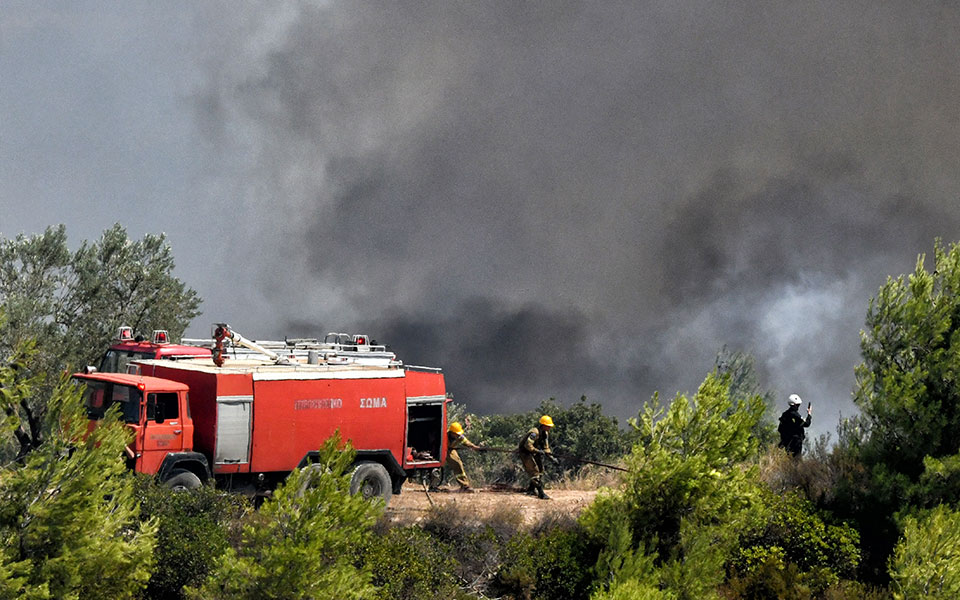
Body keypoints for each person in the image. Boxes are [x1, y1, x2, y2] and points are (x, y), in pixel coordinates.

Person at [518, 415, 558, 499]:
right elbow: (528, 445)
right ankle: (541, 493)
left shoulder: (545, 434)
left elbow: (546, 448)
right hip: (525, 453)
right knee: (534, 472)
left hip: (534, 452)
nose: (549, 428)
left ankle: (531, 489)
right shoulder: (534, 432)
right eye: (548, 426)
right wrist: (538, 451)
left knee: (540, 470)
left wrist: (551, 458)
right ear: (543, 425)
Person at [442, 421, 482, 492]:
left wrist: (475, 448)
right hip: (443, 450)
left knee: (458, 464)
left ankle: (464, 485)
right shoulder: (444, 436)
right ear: (451, 433)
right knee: (454, 463)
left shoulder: (459, 436)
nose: (458, 436)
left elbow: (467, 442)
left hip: (450, 449)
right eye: (456, 434)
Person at [778, 393, 812, 458]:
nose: (798, 407)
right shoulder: (795, 415)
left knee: (788, 459)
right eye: (798, 405)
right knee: (796, 461)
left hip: (787, 442)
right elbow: (807, 424)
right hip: (796, 443)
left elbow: (780, 429)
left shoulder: (785, 414)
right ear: (794, 405)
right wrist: (809, 414)